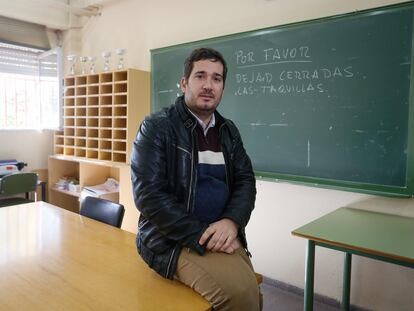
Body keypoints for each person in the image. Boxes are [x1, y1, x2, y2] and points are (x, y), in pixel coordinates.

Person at [131, 47, 261, 311]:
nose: (208, 85)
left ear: (223, 86)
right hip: (170, 239)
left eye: (217, 78)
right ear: (184, 83)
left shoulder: (229, 131)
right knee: (242, 295)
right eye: (200, 76)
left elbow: (246, 181)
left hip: (220, 232)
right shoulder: (157, 127)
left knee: (253, 293)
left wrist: (232, 222)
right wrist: (203, 234)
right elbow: (149, 196)